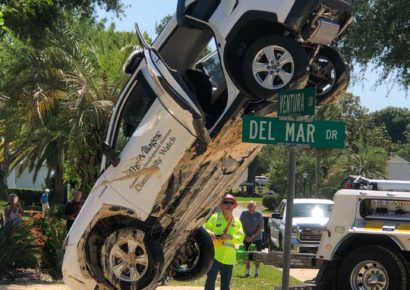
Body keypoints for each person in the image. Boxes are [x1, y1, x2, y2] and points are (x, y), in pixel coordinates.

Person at [204, 194, 244, 290]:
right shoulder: (214, 217)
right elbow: (204, 229)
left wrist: (231, 237)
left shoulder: (237, 221)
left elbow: (241, 237)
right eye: (225, 202)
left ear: (234, 206)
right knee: (210, 282)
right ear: (221, 205)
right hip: (214, 256)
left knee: (226, 285)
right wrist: (209, 232)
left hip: (229, 257)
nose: (228, 205)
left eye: (231, 202)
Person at [240, 201, 264, 277]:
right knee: (247, 255)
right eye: (249, 206)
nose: (251, 207)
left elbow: (260, 227)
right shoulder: (244, 213)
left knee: (258, 255)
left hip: (257, 238)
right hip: (247, 238)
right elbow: (241, 224)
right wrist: (246, 235)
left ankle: (257, 272)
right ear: (247, 207)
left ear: (255, 207)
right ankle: (247, 272)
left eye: (252, 206)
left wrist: (252, 236)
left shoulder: (259, 214)